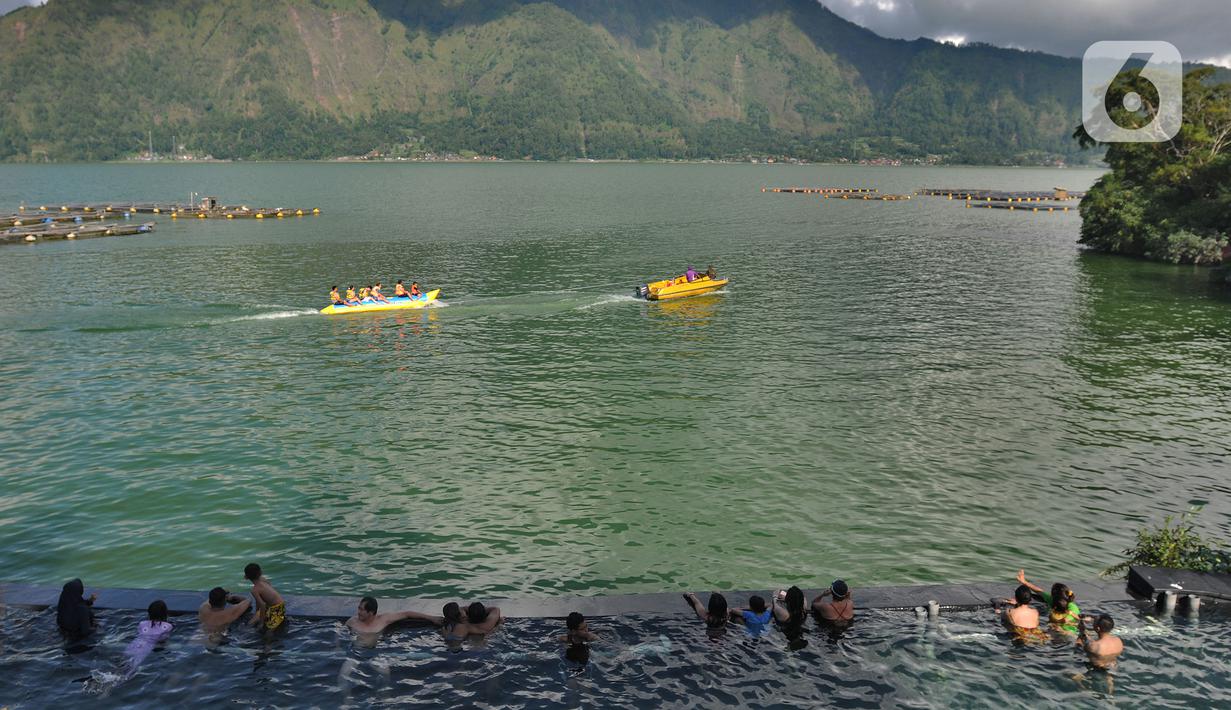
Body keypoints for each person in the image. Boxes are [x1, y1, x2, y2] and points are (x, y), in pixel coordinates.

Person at [346, 596, 440, 643]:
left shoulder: (383, 620)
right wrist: (337, 648)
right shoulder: (352, 622)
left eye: (361, 609)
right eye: (359, 608)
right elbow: (339, 634)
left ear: (370, 613)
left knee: (386, 672)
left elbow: (407, 614)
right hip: (356, 653)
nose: (358, 612)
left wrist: (432, 618)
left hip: (375, 653)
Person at [1018, 569, 1080, 634]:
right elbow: (1039, 591)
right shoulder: (1052, 599)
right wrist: (1024, 582)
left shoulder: (1072, 607)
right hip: (1055, 629)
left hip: (1069, 633)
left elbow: (1065, 620)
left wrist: (1051, 621)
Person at [124, 600, 173, 674]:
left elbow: (139, 634)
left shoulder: (142, 623)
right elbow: (163, 639)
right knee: (131, 670)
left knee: (123, 664)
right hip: (147, 647)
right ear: (165, 613)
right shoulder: (167, 626)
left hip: (134, 644)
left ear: (149, 613)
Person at [244, 563, 286, 632]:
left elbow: (262, 605)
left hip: (277, 610)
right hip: (280, 605)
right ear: (261, 572)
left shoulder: (255, 590)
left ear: (246, 577)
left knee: (269, 632)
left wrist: (261, 623)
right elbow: (260, 600)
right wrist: (257, 611)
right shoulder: (263, 579)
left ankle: (268, 641)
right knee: (251, 621)